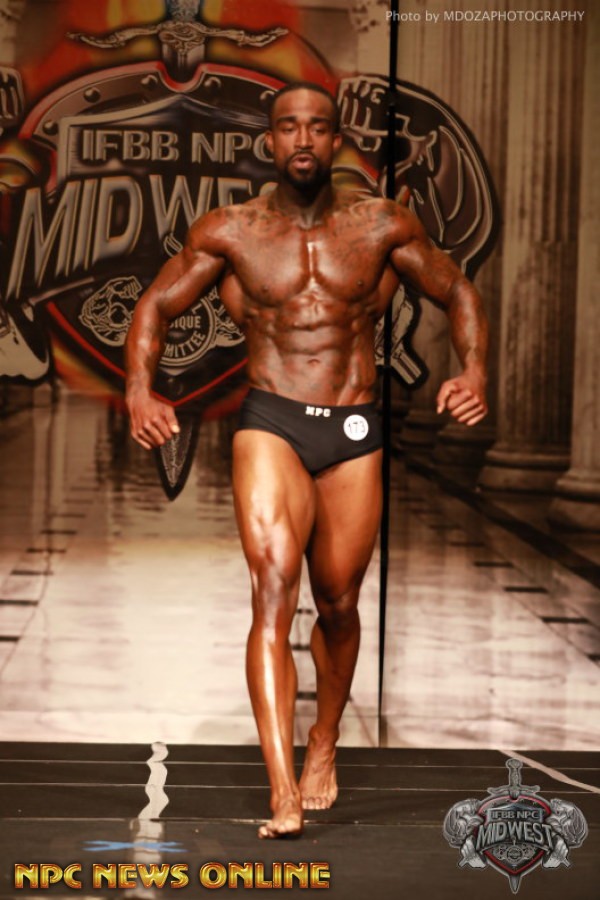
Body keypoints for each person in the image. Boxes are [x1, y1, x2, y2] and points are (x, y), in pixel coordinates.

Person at [125, 82, 488, 839]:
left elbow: (456, 288)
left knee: (339, 603)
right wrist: (139, 390)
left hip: (354, 425)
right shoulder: (231, 230)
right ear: (269, 140)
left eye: (317, 128)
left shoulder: (381, 224)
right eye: (288, 127)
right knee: (272, 590)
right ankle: (282, 790)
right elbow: (155, 305)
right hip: (272, 419)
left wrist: (475, 370)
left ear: (335, 139)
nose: (302, 140)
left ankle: (324, 737)